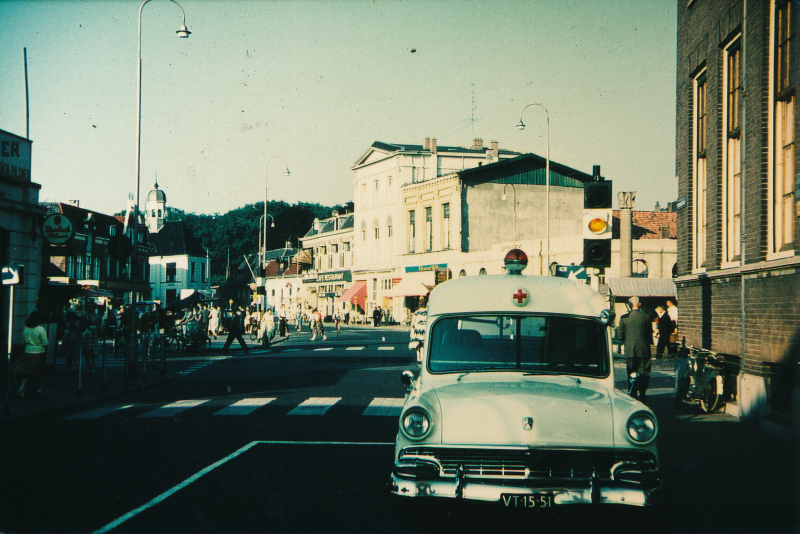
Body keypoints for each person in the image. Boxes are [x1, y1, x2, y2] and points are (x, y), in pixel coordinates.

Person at [616, 296, 652, 403]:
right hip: (644, 350)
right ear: (639, 305)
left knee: (631, 372)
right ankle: (642, 393)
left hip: (630, 350)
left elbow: (619, 336)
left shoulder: (624, 318)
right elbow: (649, 334)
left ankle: (633, 393)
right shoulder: (646, 317)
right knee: (644, 372)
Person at [13, 311, 48, 397]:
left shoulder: (26, 328)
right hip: (39, 352)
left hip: (28, 352)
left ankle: (22, 387)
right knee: (40, 372)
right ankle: (39, 390)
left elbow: (22, 341)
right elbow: (46, 342)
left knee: (26, 371)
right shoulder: (40, 329)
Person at [408, 295, 428, 364]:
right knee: (423, 344)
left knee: (417, 344)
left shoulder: (417, 312)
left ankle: (418, 358)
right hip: (425, 328)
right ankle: (422, 358)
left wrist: (413, 328)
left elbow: (413, 322)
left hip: (418, 329)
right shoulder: (427, 312)